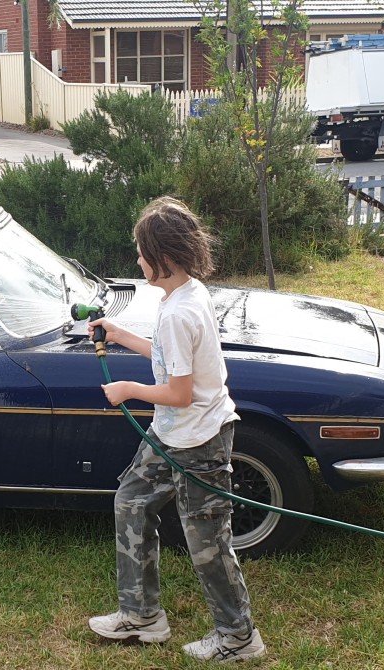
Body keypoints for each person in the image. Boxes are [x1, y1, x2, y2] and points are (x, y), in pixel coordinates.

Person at [85, 196, 265, 663]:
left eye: (142, 252)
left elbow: (180, 392)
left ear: (162, 256)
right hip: (172, 434)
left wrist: (128, 389)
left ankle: (239, 637)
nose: (138, 260)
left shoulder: (182, 312)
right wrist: (121, 335)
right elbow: (170, 360)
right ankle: (142, 616)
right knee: (131, 500)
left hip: (199, 439)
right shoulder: (181, 295)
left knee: (207, 544)